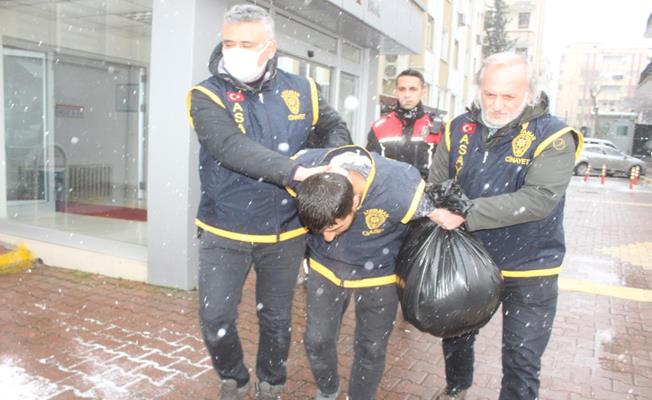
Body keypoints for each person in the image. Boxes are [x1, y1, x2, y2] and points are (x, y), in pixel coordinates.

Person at [186, 4, 351, 400]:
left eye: (247, 43)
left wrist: (330, 162)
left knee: (276, 319)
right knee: (215, 318)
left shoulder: (303, 89)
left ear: (270, 46)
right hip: (224, 229)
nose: (236, 50)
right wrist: (295, 171)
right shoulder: (206, 94)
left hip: (285, 230)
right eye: (229, 42)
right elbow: (229, 147)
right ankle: (234, 377)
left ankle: (271, 382)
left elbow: (335, 128)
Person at [427, 52, 583, 400]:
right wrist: (438, 204)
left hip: (530, 266)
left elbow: (540, 198)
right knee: (455, 336)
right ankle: (457, 389)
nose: (496, 105)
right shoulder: (459, 127)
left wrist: (466, 212)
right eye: (489, 94)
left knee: (521, 358)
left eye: (508, 96)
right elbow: (437, 179)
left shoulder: (555, 136)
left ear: (530, 93)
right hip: (469, 259)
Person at [290, 145, 439, 400]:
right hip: (325, 267)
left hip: (379, 273)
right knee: (317, 340)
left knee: (371, 348)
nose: (326, 236)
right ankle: (328, 390)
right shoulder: (304, 172)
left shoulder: (400, 188)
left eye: (335, 226)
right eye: (320, 229)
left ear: (356, 202)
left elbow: (439, 216)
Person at [366, 68, 441, 178]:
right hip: (388, 192)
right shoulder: (380, 126)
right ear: (396, 91)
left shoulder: (436, 128)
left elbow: (443, 170)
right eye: (402, 89)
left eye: (413, 89)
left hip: (424, 193)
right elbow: (369, 166)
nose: (407, 94)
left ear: (423, 92)